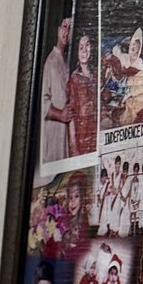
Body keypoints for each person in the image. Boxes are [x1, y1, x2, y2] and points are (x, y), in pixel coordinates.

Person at [40, 13, 73, 169]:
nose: (67, 32)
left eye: (70, 28)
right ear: (58, 30)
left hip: (64, 138)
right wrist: (60, 114)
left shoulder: (66, 63)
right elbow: (42, 102)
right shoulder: (51, 62)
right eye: (64, 27)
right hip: (53, 136)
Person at [67, 29, 98, 156]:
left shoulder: (96, 75)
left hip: (96, 136)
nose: (84, 50)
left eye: (87, 45)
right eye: (81, 48)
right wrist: (74, 146)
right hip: (82, 138)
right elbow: (71, 115)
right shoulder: (74, 79)